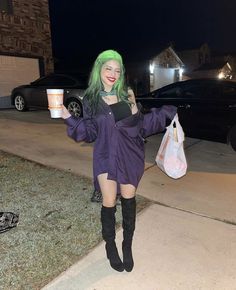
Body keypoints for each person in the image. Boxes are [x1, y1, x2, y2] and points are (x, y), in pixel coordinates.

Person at [62, 49, 177, 272]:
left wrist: (166, 114)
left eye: (117, 70)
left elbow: (140, 126)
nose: (113, 73)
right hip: (105, 156)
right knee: (108, 202)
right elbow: (90, 133)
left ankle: (127, 245)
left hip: (129, 155)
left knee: (128, 201)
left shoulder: (127, 94)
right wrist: (68, 117)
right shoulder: (91, 99)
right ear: (99, 70)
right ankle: (110, 245)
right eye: (108, 68)